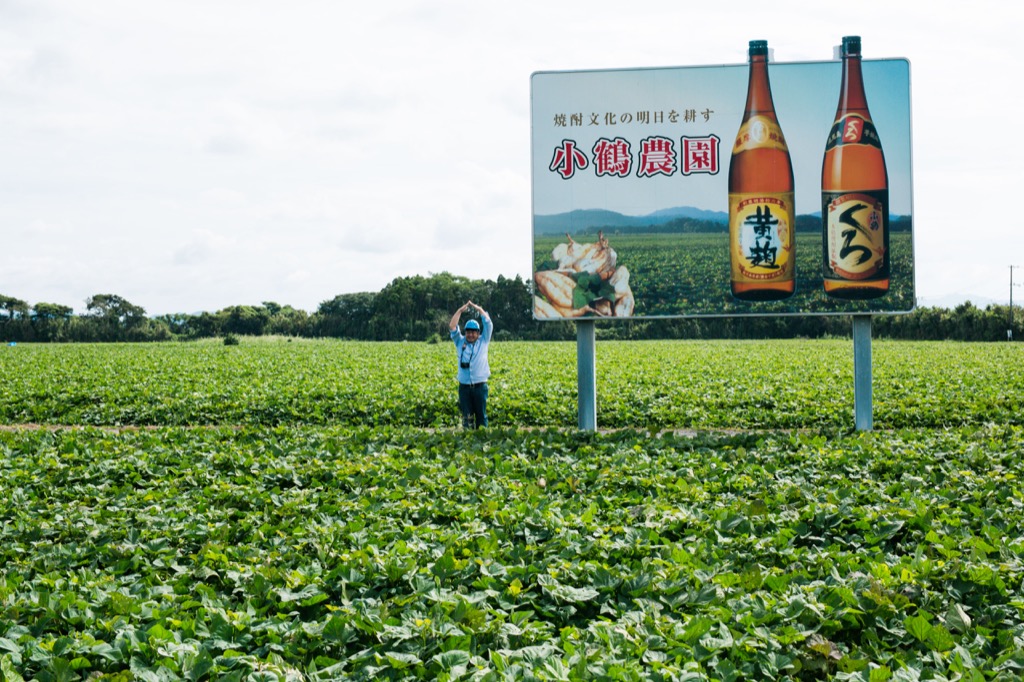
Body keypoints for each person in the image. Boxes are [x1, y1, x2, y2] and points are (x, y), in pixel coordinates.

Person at [448, 301, 492, 428]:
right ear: (465, 332)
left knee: (481, 416)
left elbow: (488, 322)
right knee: (467, 417)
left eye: (473, 332)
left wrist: (478, 308)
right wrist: (460, 311)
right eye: (468, 332)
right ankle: (467, 442)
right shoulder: (460, 342)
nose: (471, 335)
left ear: (478, 333)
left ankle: (482, 440)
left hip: (480, 387)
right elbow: (452, 327)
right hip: (465, 387)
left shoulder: (483, 341)